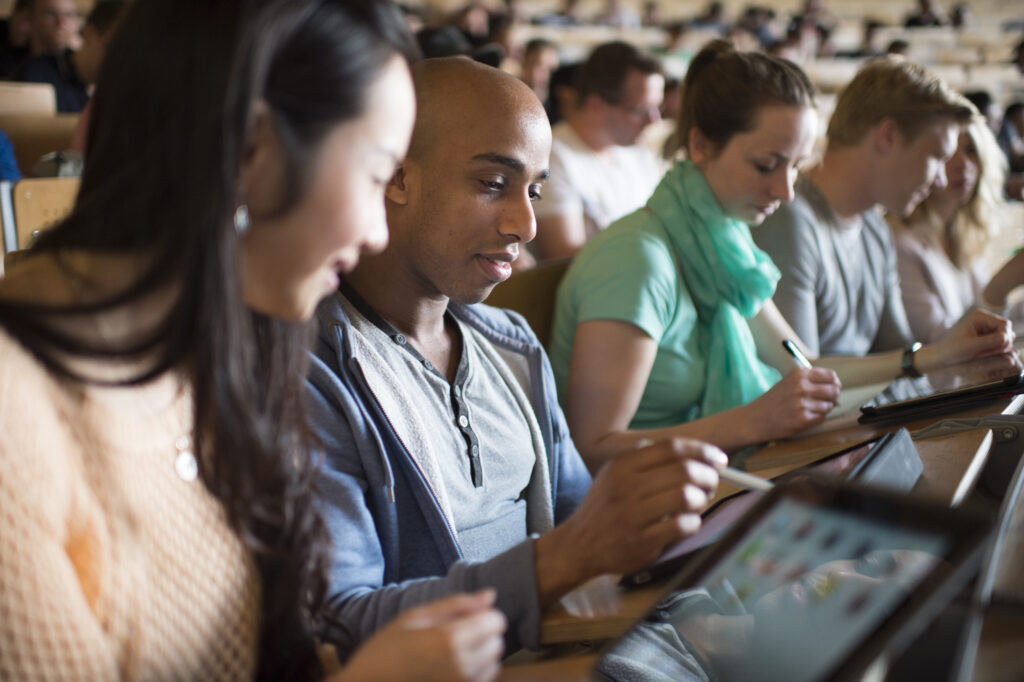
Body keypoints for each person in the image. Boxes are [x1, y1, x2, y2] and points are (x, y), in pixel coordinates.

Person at [0, 1, 508, 681]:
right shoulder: (17, 420)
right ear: (253, 150)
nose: (378, 232)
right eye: (375, 175)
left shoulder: (220, 355)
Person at [306, 56, 725, 657]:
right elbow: (343, 624)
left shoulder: (510, 346)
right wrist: (566, 558)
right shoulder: (317, 372)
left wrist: (703, 614)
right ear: (396, 176)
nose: (525, 224)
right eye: (491, 184)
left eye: (534, 190)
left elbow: (587, 521)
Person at [550, 42, 1012, 470]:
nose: (787, 191)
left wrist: (933, 358)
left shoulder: (725, 244)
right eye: (766, 165)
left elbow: (805, 367)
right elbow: (592, 451)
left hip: (715, 482)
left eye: (794, 165)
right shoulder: (637, 259)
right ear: (699, 146)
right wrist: (751, 422)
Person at [754, 57, 1009, 367]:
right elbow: (800, 385)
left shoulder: (875, 228)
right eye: (936, 156)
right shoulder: (789, 221)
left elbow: (905, 364)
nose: (940, 179)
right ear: (887, 136)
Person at [531, 41, 666, 261]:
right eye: (641, 110)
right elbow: (565, 258)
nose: (654, 120)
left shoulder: (638, 154)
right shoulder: (553, 158)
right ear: (596, 105)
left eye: (658, 107)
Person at [888, 114, 1013, 342]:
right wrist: (1002, 284)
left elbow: (992, 321)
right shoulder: (900, 240)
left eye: (971, 150)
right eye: (947, 153)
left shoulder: (962, 232)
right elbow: (938, 347)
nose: (962, 164)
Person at [14, 0, 125, 113]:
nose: (120, 60)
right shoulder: (36, 73)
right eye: (110, 48)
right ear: (88, 33)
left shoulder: (121, 90)